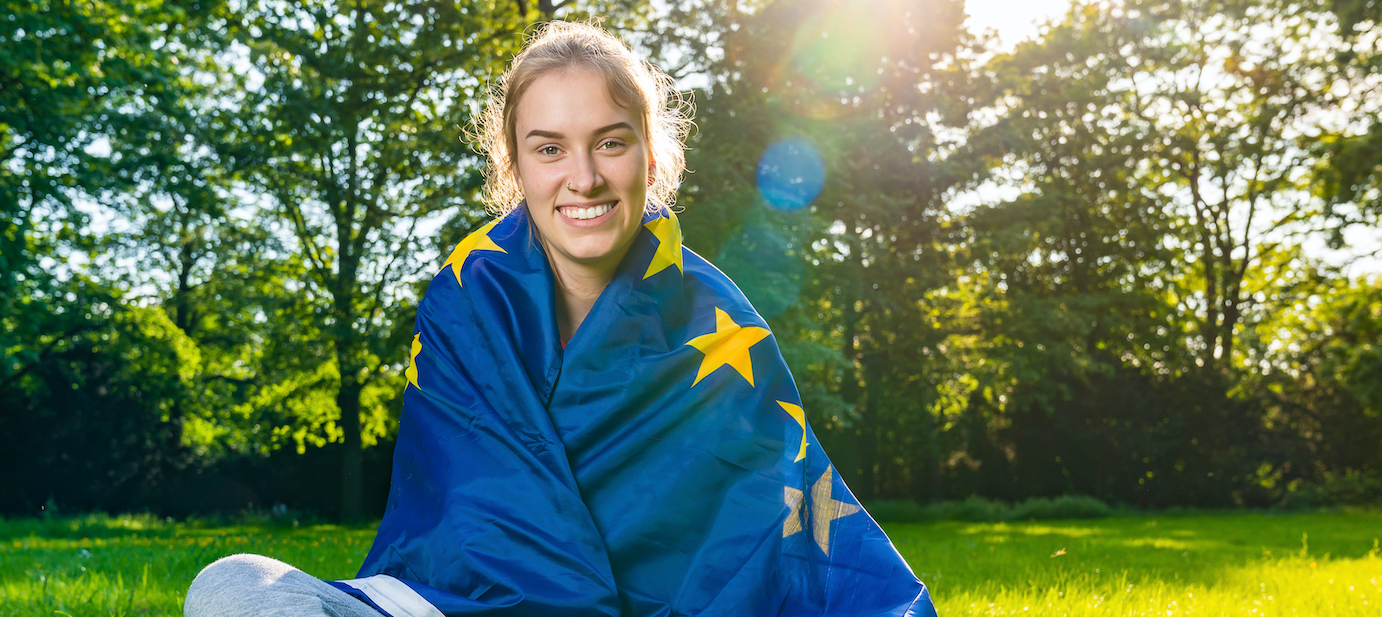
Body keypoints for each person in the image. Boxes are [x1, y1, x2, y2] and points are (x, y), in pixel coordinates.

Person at [185, 21, 935, 617]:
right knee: (234, 584)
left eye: (611, 141)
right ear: (515, 164)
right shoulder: (464, 301)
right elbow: (461, 523)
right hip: (457, 608)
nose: (584, 177)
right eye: (550, 149)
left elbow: (783, 541)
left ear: (650, 155)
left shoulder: (718, 326)